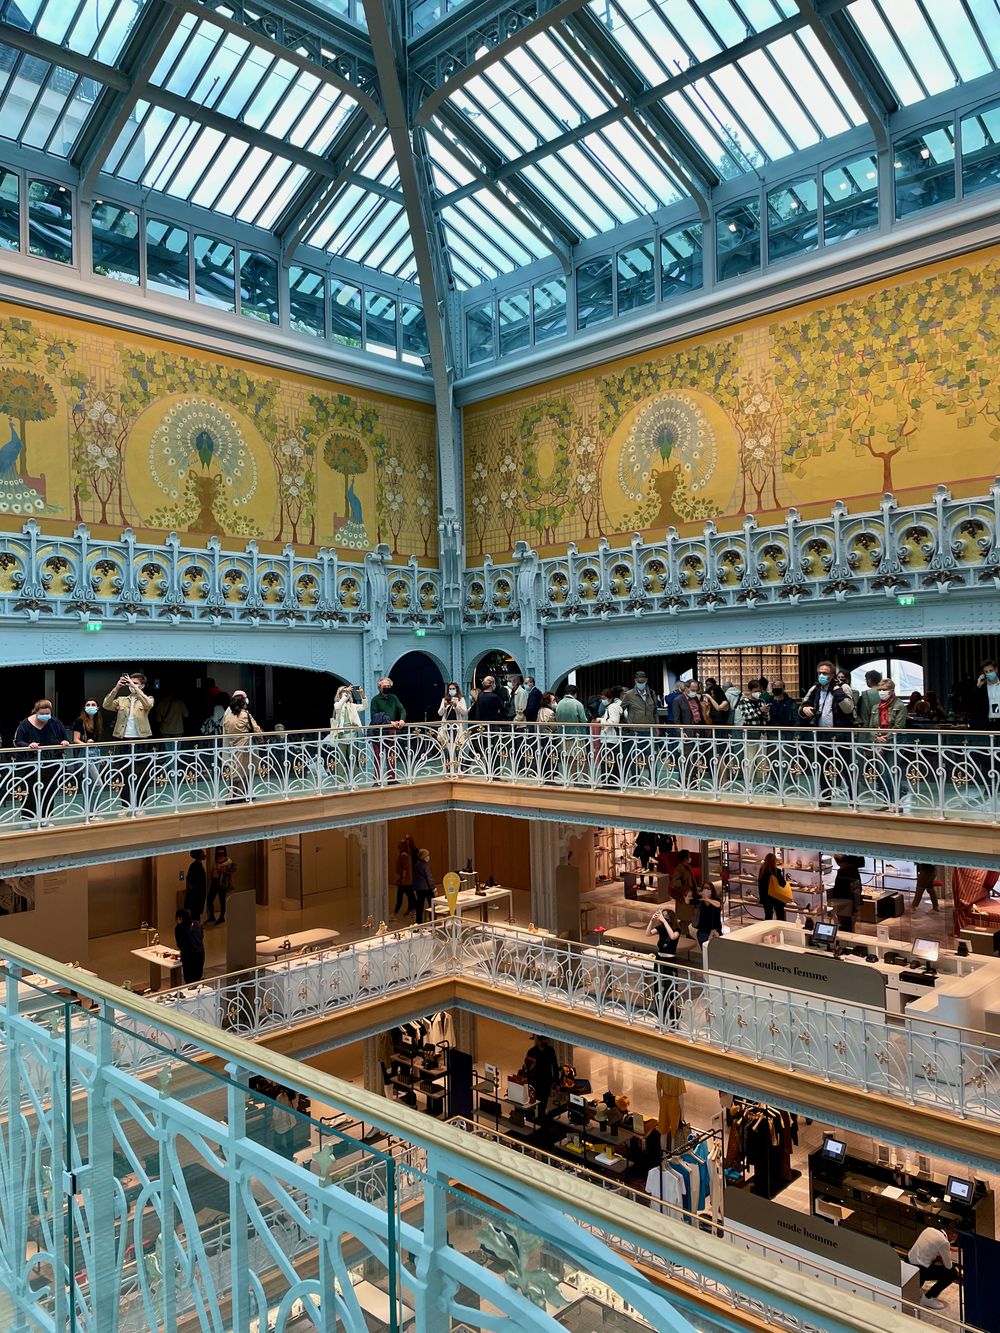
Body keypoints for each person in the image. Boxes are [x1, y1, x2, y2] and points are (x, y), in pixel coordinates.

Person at [799, 661, 857, 802]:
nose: (821, 676)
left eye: (824, 673)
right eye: (819, 673)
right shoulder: (815, 688)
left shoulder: (843, 687)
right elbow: (802, 706)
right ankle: (825, 796)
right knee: (822, 765)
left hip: (841, 733)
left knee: (846, 766)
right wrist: (805, 709)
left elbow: (849, 708)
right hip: (821, 733)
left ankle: (852, 797)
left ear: (832, 675)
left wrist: (838, 693)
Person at [14, 699, 70, 824]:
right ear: (36, 712)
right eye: (42, 714)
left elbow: (64, 737)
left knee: (48, 791)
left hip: (51, 763)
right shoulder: (25, 724)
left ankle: (46, 818)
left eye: (47, 714)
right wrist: (29, 744)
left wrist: (65, 742)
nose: (45, 717)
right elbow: (18, 741)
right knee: (29, 792)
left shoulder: (55, 722)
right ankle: (26, 820)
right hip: (29, 764)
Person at [871, 678, 908, 809]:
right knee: (883, 773)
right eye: (880, 690)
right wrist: (876, 738)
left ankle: (896, 801)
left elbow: (898, 727)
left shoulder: (900, 706)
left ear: (892, 691)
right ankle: (886, 800)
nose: (882, 692)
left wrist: (884, 740)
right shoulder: (876, 708)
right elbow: (871, 727)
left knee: (893, 772)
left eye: (884, 690)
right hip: (879, 743)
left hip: (895, 743)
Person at [222, 689, 262, 801]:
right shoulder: (245, 714)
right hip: (245, 747)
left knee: (237, 771)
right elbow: (257, 730)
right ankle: (239, 795)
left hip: (232, 746)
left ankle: (234, 796)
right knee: (244, 772)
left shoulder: (227, 713)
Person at [907, 1225, 958, 1309]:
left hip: (909, 1263)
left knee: (933, 1261)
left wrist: (949, 1248)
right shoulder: (944, 1242)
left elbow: (934, 1244)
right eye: (955, 1236)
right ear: (952, 1234)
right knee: (952, 1273)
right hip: (920, 1271)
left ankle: (918, 1289)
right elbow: (948, 1266)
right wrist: (947, 1250)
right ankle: (928, 1297)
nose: (955, 1238)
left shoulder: (929, 1230)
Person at [72, 697, 106, 822]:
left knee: (91, 785)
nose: (90, 706)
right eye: (88, 704)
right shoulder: (80, 721)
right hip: (85, 754)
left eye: (93, 704)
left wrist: (100, 755)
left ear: (97, 708)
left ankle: (92, 812)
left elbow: (96, 742)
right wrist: (86, 744)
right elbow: (75, 739)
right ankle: (91, 812)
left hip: (95, 753)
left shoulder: (97, 721)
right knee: (98, 784)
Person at [103, 671, 154, 740]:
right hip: (122, 736)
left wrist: (135, 688)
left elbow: (148, 705)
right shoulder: (121, 699)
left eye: (135, 683)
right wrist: (116, 688)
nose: (131, 685)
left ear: (142, 686)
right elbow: (106, 705)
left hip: (141, 736)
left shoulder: (149, 698)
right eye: (130, 683)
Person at [522, 1034, 560, 1125]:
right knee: (531, 1104)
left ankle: (541, 1121)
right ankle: (530, 1122)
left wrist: (557, 1082)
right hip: (534, 1082)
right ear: (538, 1040)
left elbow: (555, 1066)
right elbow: (527, 1068)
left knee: (543, 1104)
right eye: (543, 1040)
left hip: (546, 1082)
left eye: (546, 1039)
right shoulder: (532, 1052)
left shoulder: (550, 1050)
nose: (545, 1042)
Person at [437, 682, 468, 770]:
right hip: (446, 727)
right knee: (446, 747)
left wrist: (456, 705)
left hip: (457, 727)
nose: (451, 690)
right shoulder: (444, 700)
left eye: (453, 689)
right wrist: (444, 706)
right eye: (450, 689)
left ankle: (459, 766)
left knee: (458, 746)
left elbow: (464, 712)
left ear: (457, 689)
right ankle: (448, 767)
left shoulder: (461, 699)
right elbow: (439, 713)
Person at [828, 854, 864, 931]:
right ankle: (849, 930)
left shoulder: (843, 871)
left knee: (845, 920)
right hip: (851, 896)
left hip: (845, 898)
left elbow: (838, 890)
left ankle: (846, 930)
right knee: (851, 917)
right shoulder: (853, 870)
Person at [174, 908, 205, 984]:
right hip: (200, 952)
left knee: (189, 979)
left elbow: (180, 944)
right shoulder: (197, 924)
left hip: (189, 955)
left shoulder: (179, 928)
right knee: (198, 976)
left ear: (179, 918)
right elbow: (202, 936)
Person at [205, 847, 235, 926]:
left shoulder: (228, 861)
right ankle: (212, 916)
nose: (220, 853)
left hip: (222, 883)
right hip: (215, 881)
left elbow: (232, 872)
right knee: (210, 899)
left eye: (221, 851)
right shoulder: (215, 861)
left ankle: (222, 917)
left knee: (222, 901)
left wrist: (223, 871)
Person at [757, 851, 789, 922]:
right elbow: (782, 884)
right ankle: (780, 929)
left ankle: (769, 930)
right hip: (776, 897)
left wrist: (761, 898)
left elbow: (760, 885)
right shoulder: (776, 871)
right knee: (780, 915)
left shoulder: (762, 871)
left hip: (765, 898)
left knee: (768, 915)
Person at [412, 847, 436, 924]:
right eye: (428, 855)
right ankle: (433, 920)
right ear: (424, 856)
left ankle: (419, 922)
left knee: (419, 905)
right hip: (427, 888)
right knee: (432, 904)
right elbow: (429, 877)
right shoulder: (425, 866)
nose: (429, 857)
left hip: (419, 888)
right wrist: (433, 888)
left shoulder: (416, 864)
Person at [393, 837, 416, 917]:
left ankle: (395, 913)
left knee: (401, 897)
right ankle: (411, 909)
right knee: (410, 896)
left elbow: (404, 868)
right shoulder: (405, 855)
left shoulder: (403, 855)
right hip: (406, 880)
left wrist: (403, 878)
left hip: (404, 881)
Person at [184, 849, 207, 920]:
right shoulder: (196, 865)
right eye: (203, 853)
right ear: (200, 855)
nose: (205, 854)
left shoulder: (197, 864)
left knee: (196, 914)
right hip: (196, 895)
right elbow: (189, 879)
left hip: (197, 894)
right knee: (195, 914)